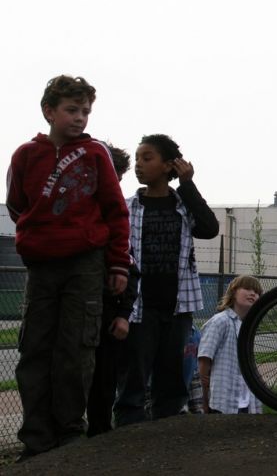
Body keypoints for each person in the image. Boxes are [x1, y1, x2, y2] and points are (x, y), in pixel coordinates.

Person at [5, 75, 130, 461]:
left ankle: (70, 432)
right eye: (71, 110)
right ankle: (36, 438)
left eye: (85, 112)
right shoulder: (26, 155)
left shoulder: (95, 155)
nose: (79, 118)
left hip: (85, 262)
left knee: (76, 349)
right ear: (49, 111)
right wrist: (39, 234)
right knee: (35, 349)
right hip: (43, 264)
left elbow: (115, 211)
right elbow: (17, 205)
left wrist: (118, 263)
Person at [114, 134, 219, 426]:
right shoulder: (129, 207)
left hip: (177, 308)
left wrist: (188, 184)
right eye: (137, 159)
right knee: (133, 381)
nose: (139, 165)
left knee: (171, 382)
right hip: (138, 308)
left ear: (167, 165)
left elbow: (210, 228)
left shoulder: (183, 206)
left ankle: (167, 440)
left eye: (147, 158)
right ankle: (126, 438)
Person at [86, 144, 140, 438]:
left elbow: (131, 268)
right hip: (75, 303)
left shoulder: (116, 219)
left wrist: (123, 313)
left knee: (104, 376)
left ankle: (99, 435)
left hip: (107, 310)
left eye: (117, 179)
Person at [198, 275, 263, 414]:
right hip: (222, 404)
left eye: (257, 292)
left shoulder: (248, 328)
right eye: (247, 288)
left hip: (247, 404)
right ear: (233, 293)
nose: (253, 293)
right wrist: (204, 401)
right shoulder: (220, 321)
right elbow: (204, 362)